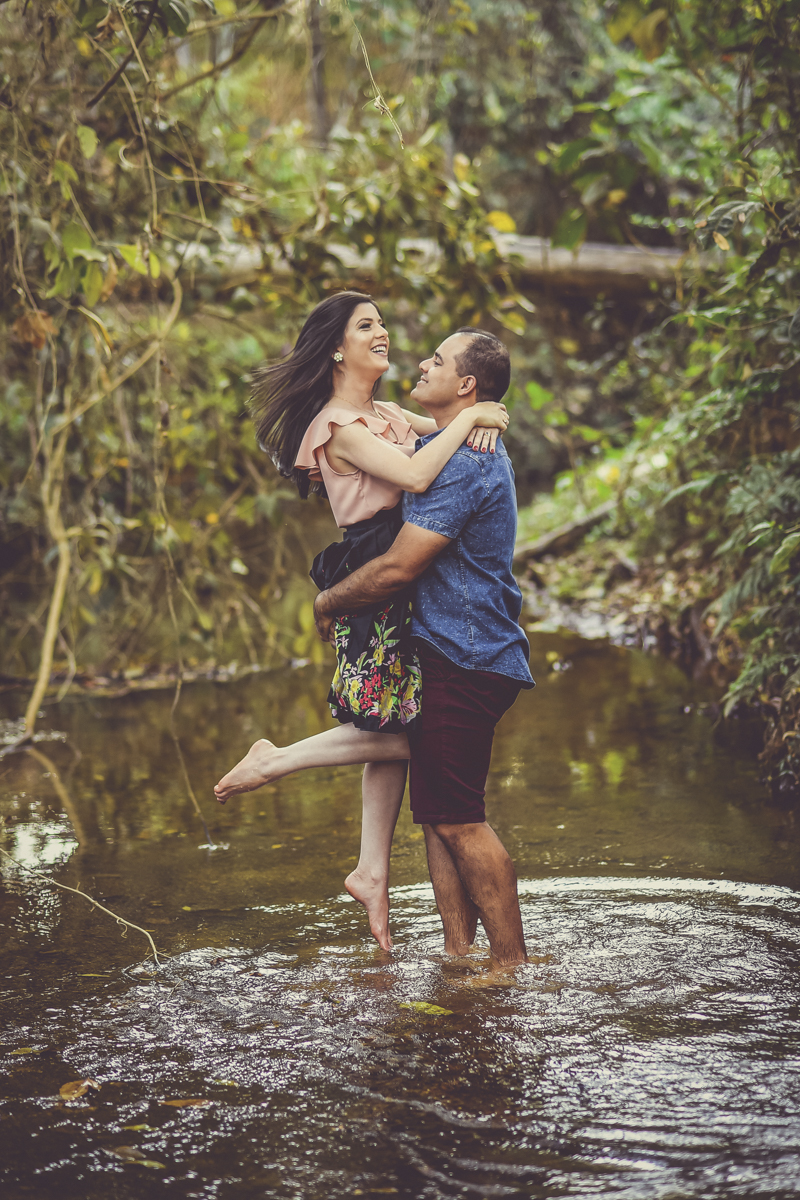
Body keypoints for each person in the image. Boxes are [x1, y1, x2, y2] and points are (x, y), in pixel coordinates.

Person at [214, 292, 508, 952]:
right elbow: (415, 474)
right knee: (414, 734)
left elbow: (449, 433)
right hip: (373, 577)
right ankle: (276, 760)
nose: (384, 333)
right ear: (337, 349)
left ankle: (371, 869)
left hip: (402, 580)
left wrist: (487, 411)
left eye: (381, 321)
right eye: (367, 325)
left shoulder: (387, 414)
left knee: (397, 721)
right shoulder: (340, 425)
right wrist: (472, 419)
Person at [312, 327, 535, 968]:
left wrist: (329, 601)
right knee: (439, 817)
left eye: (436, 360)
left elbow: (398, 569)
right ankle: (459, 956)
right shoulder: (448, 441)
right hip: (451, 651)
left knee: (461, 818)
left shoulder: (463, 461)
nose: (421, 362)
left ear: (463, 383)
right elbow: (398, 423)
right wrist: (475, 417)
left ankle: (511, 968)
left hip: (468, 655)